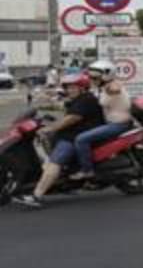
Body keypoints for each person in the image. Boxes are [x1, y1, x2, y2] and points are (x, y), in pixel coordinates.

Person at [14, 73, 105, 209]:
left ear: (82, 87)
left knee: (54, 162)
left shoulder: (86, 99)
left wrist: (51, 128)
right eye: (67, 87)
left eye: (73, 87)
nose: (69, 90)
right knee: (47, 151)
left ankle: (36, 196)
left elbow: (72, 118)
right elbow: (61, 106)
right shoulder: (77, 99)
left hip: (74, 138)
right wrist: (40, 107)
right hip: (70, 135)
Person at [70, 67, 134, 180]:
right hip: (111, 123)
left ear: (105, 77)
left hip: (118, 125)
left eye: (95, 78)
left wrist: (111, 89)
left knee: (81, 139)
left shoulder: (112, 86)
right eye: (91, 77)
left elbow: (115, 89)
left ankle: (87, 170)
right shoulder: (101, 88)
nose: (92, 80)